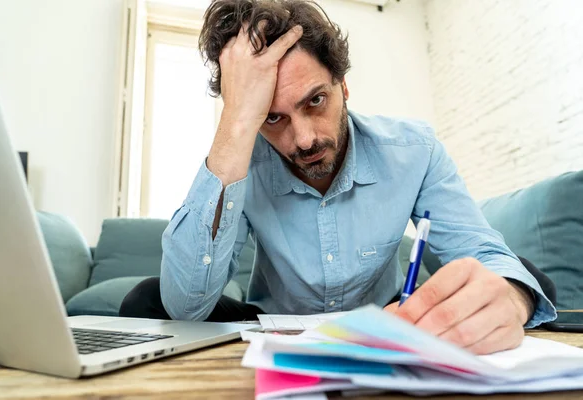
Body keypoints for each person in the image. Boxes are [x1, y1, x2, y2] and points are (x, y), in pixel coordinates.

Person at [120, 0, 556, 355]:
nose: (304, 139)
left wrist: (512, 296)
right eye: (272, 117)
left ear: (343, 85)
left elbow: (483, 252)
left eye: (316, 101)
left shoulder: (414, 150)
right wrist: (236, 123)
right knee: (146, 298)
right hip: (276, 326)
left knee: (523, 281)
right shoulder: (242, 160)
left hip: (388, 318)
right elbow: (186, 304)